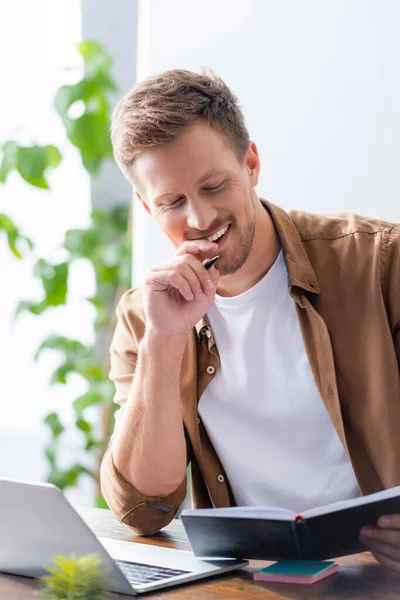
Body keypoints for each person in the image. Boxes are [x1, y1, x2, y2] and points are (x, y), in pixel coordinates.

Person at [100, 69, 400, 571]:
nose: (198, 219)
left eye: (213, 185)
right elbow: (141, 509)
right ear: (145, 206)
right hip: (256, 580)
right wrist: (165, 338)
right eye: (171, 202)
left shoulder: (379, 263)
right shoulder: (144, 318)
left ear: (251, 162)